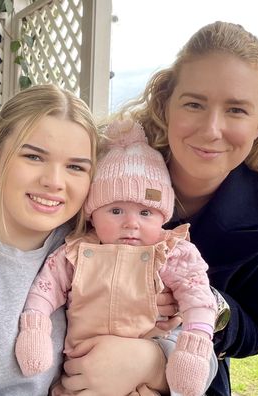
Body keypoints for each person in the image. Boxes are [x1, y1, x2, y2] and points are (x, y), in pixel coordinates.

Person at [0, 85, 173, 396]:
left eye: (75, 166)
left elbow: (197, 345)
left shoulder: (101, 235)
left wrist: (152, 363)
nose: (54, 182)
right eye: (34, 156)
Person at [115, 21, 258, 396]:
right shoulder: (111, 172)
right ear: (165, 104)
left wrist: (205, 303)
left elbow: (257, 330)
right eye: (194, 104)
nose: (211, 129)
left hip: (196, 374)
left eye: (235, 110)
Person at [15, 119, 218, 396]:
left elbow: (199, 300)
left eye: (145, 213)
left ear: (163, 216)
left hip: (143, 380)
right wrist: (34, 329)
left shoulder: (172, 254)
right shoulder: (74, 252)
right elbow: (44, 291)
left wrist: (193, 348)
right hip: (80, 376)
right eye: (116, 211)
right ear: (92, 214)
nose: (131, 223)